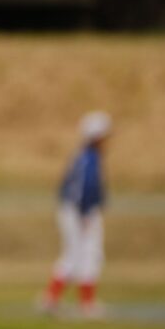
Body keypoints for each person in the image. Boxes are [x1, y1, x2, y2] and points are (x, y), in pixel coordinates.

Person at [39, 111, 112, 318]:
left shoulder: (84, 157)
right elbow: (84, 188)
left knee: (76, 254)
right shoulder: (89, 159)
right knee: (87, 254)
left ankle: (53, 298)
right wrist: (85, 213)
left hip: (73, 210)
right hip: (80, 211)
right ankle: (85, 304)